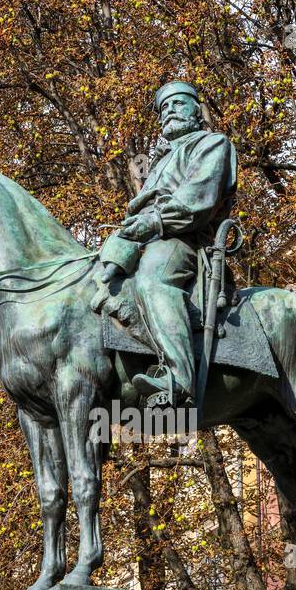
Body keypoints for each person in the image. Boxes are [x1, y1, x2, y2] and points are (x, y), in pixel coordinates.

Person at [98, 81, 237, 405]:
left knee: (153, 279)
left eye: (178, 103)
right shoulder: (160, 160)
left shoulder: (212, 144)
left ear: (196, 110)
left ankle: (178, 380)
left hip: (183, 241)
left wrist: (154, 221)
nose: (170, 111)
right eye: (164, 107)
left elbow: (197, 200)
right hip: (146, 238)